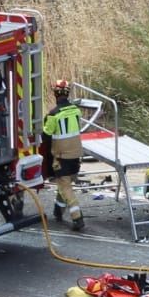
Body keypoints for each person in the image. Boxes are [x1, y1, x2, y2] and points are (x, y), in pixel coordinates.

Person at [41, 79, 86, 232]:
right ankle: (58, 210)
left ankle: (77, 218)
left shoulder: (53, 115)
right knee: (64, 183)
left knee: (65, 187)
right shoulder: (76, 111)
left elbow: (46, 135)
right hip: (76, 155)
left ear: (55, 94)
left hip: (62, 157)